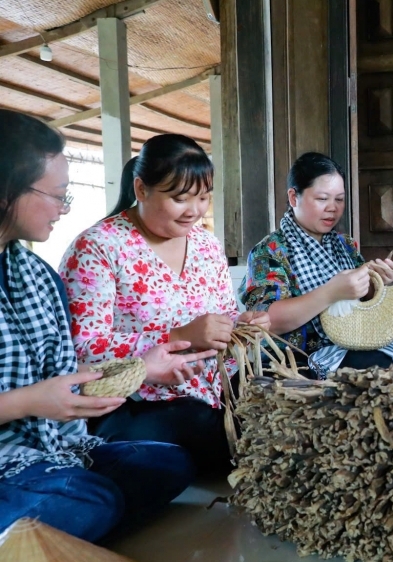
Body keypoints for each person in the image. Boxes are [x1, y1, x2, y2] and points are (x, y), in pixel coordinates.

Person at [0, 109, 215, 541]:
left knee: (167, 464)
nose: (64, 208)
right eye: (57, 195)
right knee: (89, 500)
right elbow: (72, 361)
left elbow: (65, 376)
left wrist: (144, 367)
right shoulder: (98, 246)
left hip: (48, 445)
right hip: (13, 451)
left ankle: (53, 516)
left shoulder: (34, 275)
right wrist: (25, 402)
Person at [58, 134, 269, 475]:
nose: (195, 211)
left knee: (280, 405)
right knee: (183, 437)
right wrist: (178, 336)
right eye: (180, 198)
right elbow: (81, 348)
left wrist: (240, 326)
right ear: (141, 189)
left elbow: (223, 315)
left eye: (203, 197)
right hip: (134, 403)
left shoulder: (206, 246)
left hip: (213, 392)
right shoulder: (98, 247)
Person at [240, 152, 393, 377]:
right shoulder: (269, 251)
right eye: (322, 199)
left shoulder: (345, 245)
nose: (333, 208)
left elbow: (362, 302)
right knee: (373, 364)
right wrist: (330, 293)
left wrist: (376, 284)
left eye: (339, 199)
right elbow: (267, 320)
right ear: (294, 197)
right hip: (297, 359)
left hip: (350, 343)